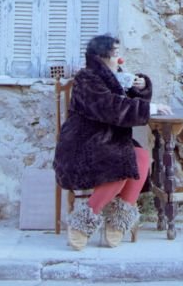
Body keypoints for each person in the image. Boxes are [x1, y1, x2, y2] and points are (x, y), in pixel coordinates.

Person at [53, 34, 172, 250]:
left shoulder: (115, 77)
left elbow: (128, 106)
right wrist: (151, 108)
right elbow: (111, 108)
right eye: (115, 54)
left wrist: (140, 87)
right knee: (120, 163)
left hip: (109, 141)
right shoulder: (87, 78)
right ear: (101, 57)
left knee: (141, 157)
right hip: (83, 143)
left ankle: (118, 220)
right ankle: (82, 222)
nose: (120, 58)